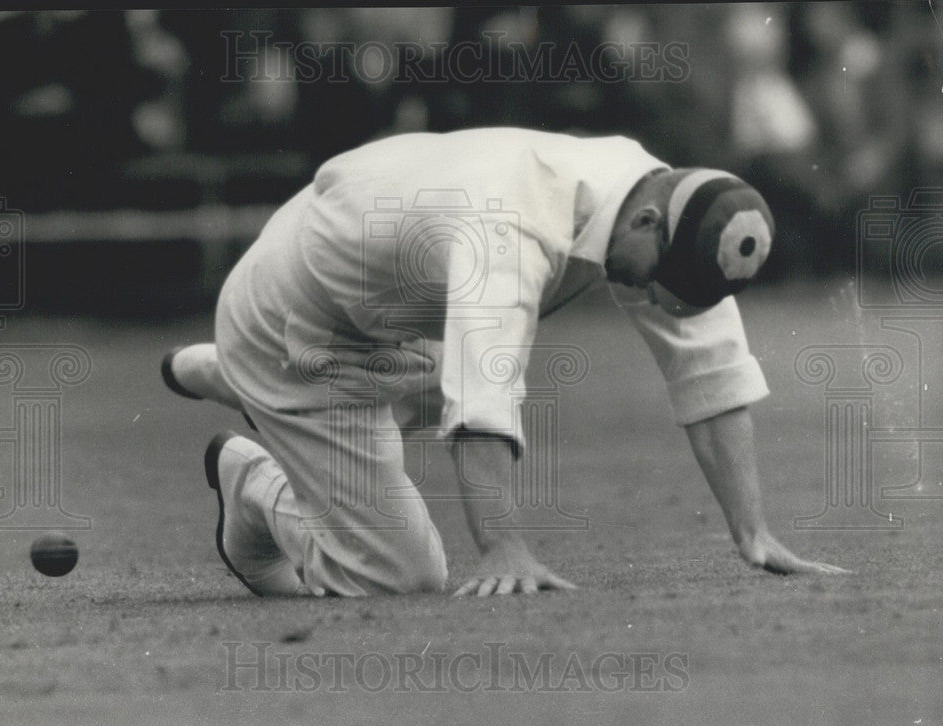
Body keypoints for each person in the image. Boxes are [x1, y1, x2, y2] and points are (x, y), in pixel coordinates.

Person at [162, 127, 849, 598]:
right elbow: (482, 394)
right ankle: (254, 476)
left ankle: (235, 377)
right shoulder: (507, 223)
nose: (657, 299)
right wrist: (502, 546)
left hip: (389, 325)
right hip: (298, 324)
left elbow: (710, 366)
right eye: (659, 282)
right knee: (400, 578)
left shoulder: (651, 193)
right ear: (646, 223)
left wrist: (751, 530)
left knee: (462, 359)